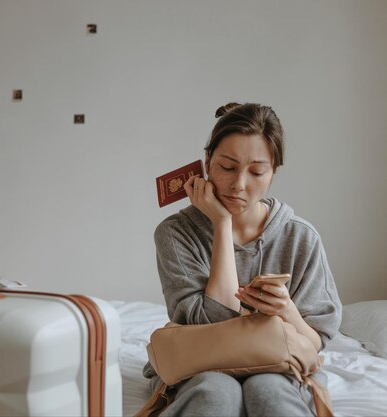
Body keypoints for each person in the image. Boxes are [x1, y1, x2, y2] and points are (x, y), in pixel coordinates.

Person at [143, 102, 342, 416]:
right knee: (213, 393)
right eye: (227, 167)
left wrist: (286, 310)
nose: (239, 184)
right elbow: (208, 325)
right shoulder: (175, 233)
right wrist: (222, 225)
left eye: (257, 172)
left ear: (274, 171)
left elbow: (316, 342)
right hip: (198, 364)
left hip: (278, 364)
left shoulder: (300, 237)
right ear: (207, 161)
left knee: (270, 392)